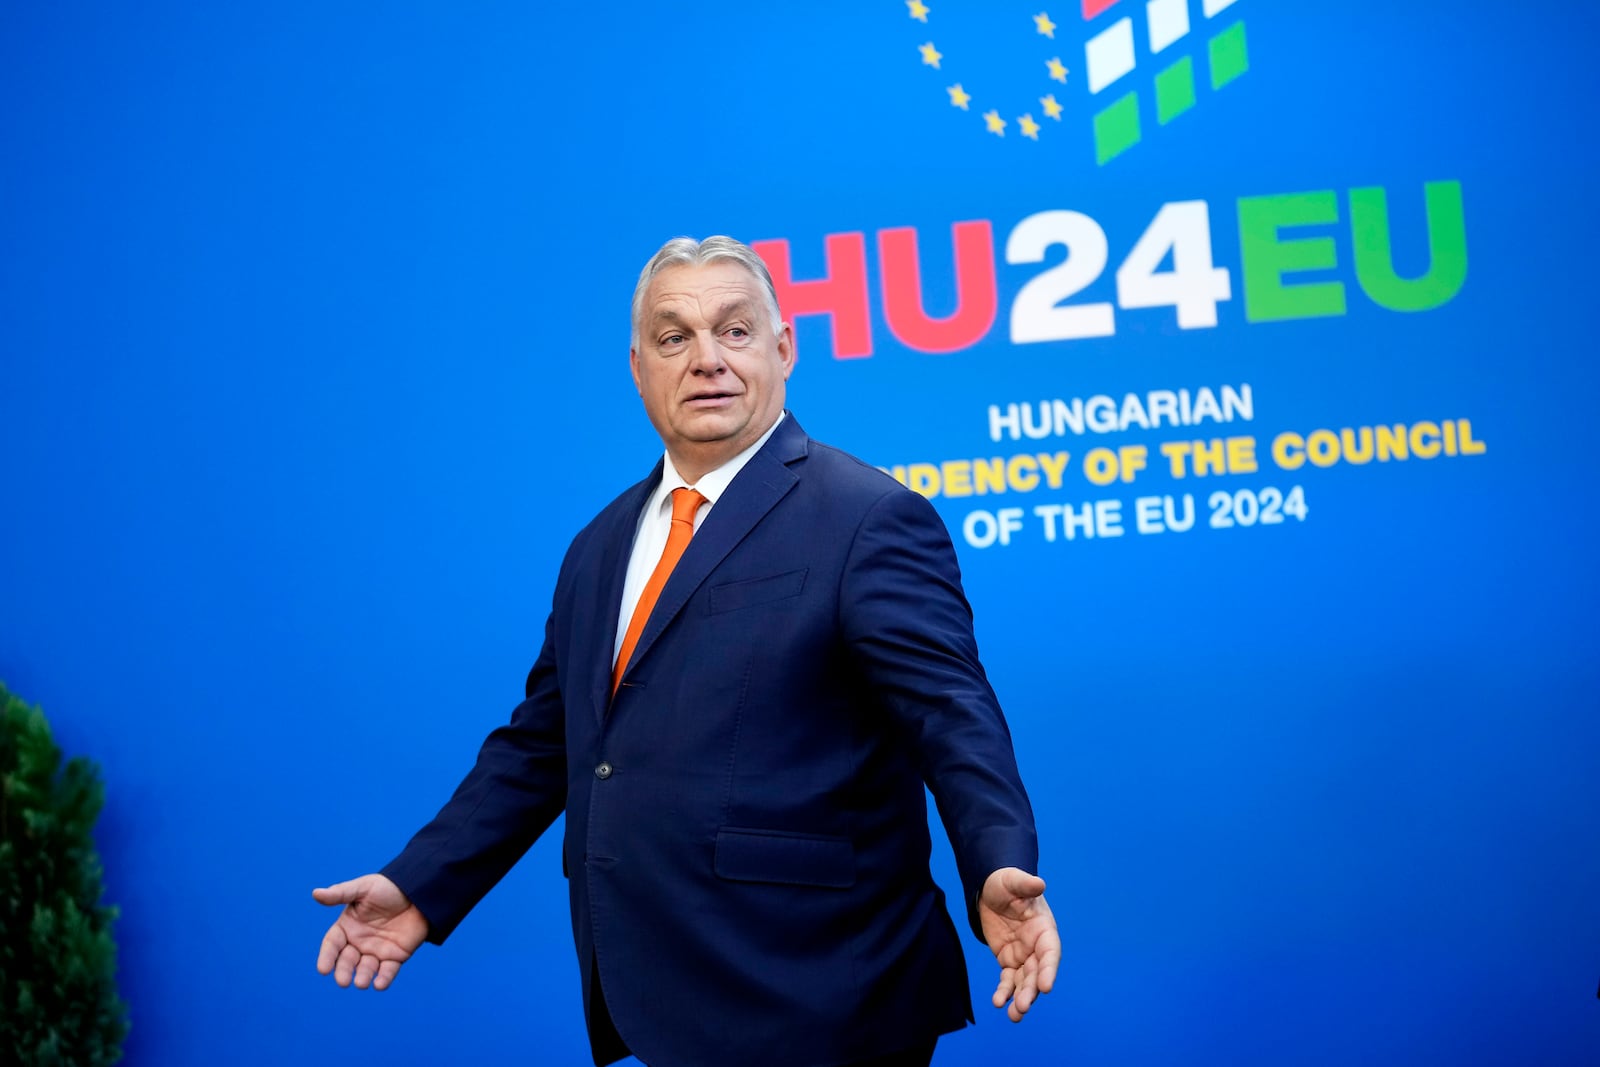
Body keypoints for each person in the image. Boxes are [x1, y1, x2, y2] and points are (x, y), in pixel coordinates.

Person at [313, 236, 1060, 1067]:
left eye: (734, 331)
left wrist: (996, 860)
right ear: (639, 368)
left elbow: (949, 712)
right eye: (676, 338)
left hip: (820, 994)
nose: (707, 359)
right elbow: (543, 745)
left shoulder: (867, 516)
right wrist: (422, 884)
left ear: (784, 349)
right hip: (658, 993)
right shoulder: (597, 548)